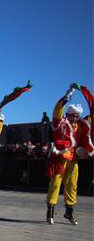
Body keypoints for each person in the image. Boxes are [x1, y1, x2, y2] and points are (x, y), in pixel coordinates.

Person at [45, 87, 92, 225]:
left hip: (74, 159)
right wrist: (66, 97)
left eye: (77, 116)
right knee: (55, 185)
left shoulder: (82, 126)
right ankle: (50, 212)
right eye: (72, 115)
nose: (74, 118)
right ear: (68, 114)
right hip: (60, 159)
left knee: (72, 186)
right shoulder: (60, 123)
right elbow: (56, 112)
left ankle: (69, 213)